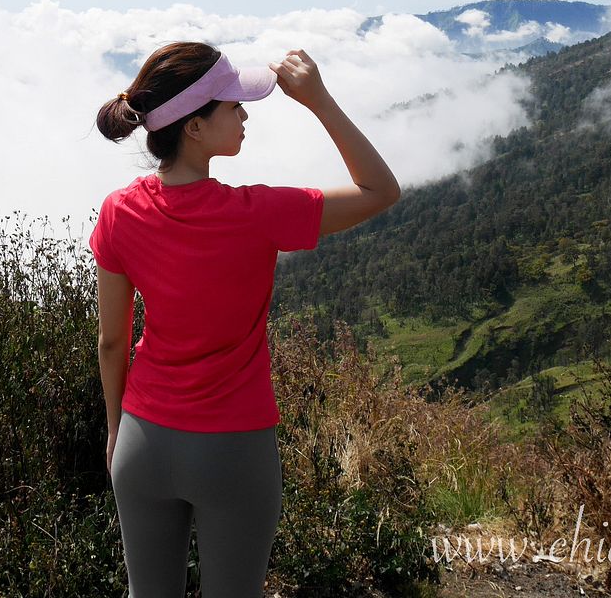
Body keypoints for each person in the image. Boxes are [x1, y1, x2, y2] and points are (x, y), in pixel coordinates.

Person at [91, 42, 400, 598]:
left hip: (141, 441)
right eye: (232, 105)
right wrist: (319, 100)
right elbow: (381, 190)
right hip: (232, 447)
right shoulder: (257, 215)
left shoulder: (119, 211)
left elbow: (113, 342)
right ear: (195, 129)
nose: (244, 114)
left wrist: (116, 429)